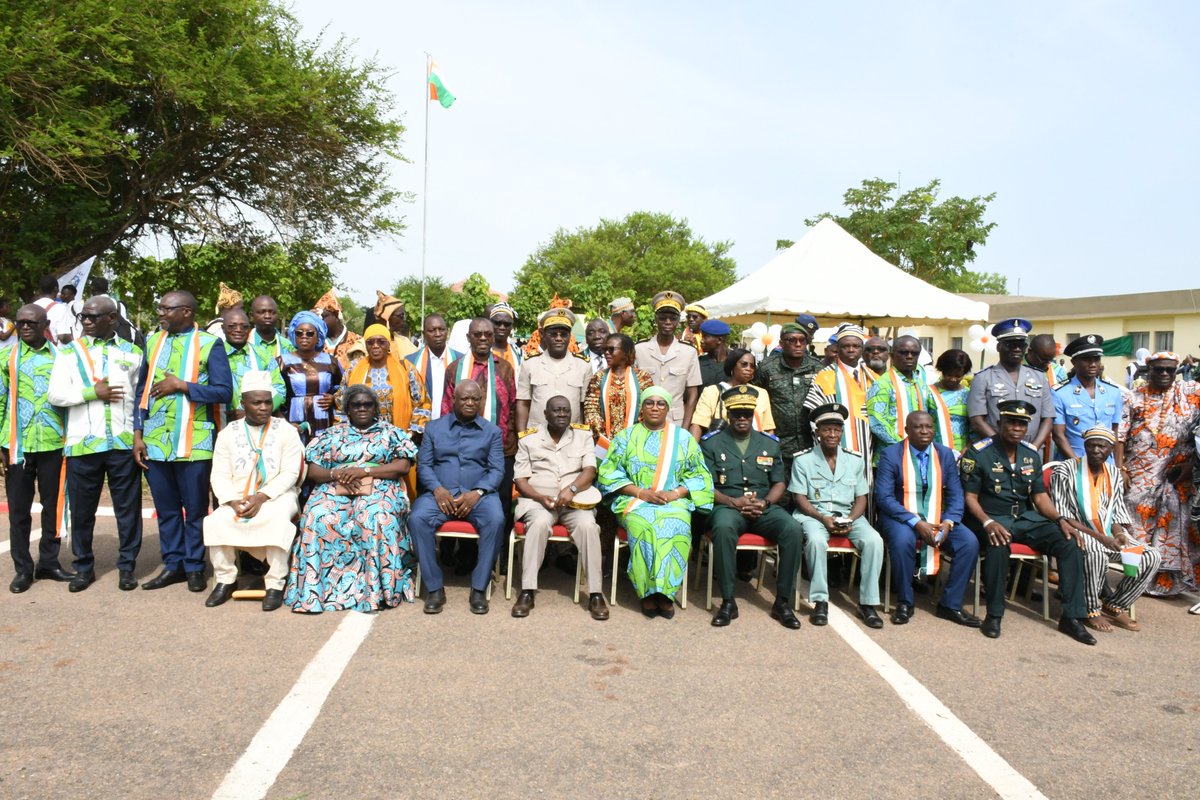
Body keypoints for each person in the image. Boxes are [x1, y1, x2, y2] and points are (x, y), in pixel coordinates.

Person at [959, 400, 1095, 644]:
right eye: (1011, 422)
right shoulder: (979, 452)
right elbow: (970, 497)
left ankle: (1072, 617)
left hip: (1024, 518)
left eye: (1022, 424)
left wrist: (1060, 519)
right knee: (998, 544)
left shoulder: (1030, 454)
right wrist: (988, 522)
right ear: (999, 423)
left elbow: (1039, 497)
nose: (1016, 428)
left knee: (1069, 542)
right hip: (989, 517)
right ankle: (994, 614)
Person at [285, 384, 419, 612]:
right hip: (336, 485)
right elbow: (313, 471)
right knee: (317, 516)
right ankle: (317, 593)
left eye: (367, 404)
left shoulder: (391, 432)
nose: (362, 408)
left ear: (376, 407)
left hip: (380, 485)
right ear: (347, 409)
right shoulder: (332, 434)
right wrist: (336, 474)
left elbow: (403, 466)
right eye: (356, 405)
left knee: (374, 516)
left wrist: (364, 471)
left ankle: (376, 591)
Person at [134, 291, 233, 592]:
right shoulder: (152, 342)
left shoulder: (210, 344)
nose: (161, 313)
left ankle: (194, 566)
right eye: (160, 308)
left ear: (187, 312)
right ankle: (173, 564)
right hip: (156, 441)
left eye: (167, 308)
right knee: (166, 509)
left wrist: (183, 386)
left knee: (195, 509)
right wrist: (138, 434)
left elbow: (224, 392)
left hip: (195, 442)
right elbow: (141, 391)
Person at [47, 296, 145, 592]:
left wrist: (138, 437)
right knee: (82, 510)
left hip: (122, 443)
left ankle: (127, 567)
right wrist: (92, 393)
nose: (86, 322)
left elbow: (140, 399)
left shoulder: (133, 353)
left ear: (112, 319)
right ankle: (84, 567)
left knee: (127, 509)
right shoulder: (69, 352)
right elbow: (56, 395)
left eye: (92, 317)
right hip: (83, 445)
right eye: (83, 317)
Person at [597, 387, 714, 619]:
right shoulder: (626, 437)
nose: (654, 407)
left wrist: (676, 494)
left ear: (668, 408)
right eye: (649, 403)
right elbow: (608, 474)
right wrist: (641, 493)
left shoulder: (683, 439)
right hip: (634, 501)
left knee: (676, 524)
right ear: (642, 407)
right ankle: (647, 592)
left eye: (661, 403)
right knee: (645, 525)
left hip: (674, 501)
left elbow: (700, 476)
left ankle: (666, 592)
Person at [701, 386, 803, 629]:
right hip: (727, 504)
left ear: (753, 413)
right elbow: (704, 486)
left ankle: (783, 602)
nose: (742, 418)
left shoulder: (768, 443)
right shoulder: (712, 443)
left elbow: (779, 483)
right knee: (723, 528)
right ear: (728, 415)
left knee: (793, 529)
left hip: (762, 505)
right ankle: (728, 602)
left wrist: (766, 502)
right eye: (737, 414)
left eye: (747, 413)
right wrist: (732, 502)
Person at [203, 372, 303, 611]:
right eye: (256, 402)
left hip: (278, 495)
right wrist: (231, 501)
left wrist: (261, 497)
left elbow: (291, 473)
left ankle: (275, 583)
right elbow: (218, 474)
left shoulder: (286, 430)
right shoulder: (228, 433)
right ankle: (225, 580)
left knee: (277, 519)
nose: (264, 408)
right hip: (237, 497)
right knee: (217, 519)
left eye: (267, 402)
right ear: (243, 403)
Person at [1049, 426, 1161, 632]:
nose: (1096, 450)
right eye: (1091, 445)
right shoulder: (1065, 470)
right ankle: (1091, 609)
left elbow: (1116, 512)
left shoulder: (1114, 473)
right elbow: (1062, 515)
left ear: (1111, 449)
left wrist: (1118, 534)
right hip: (1077, 530)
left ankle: (1116, 603)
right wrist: (1101, 538)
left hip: (1108, 532)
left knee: (1150, 556)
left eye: (1102, 446)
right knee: (1095, 552)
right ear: (1085, 446)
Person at [874, 412, 980, 627]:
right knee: (903, 541)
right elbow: (883, 497)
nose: (925, 431)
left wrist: (949, 522)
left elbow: (955, 494)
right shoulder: (890, 454)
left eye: (929, 427)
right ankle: (905, 601)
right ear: (907, 431)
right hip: (899, 516)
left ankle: (950, 604)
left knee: (969, 543)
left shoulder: (945, 454)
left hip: (936, 515)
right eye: (918, 427)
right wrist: (915, 521)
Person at [410, 379, 506, 614]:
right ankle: (434, 588)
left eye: (475, 399)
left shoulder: (492, 432)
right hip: (440, 493)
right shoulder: (433, 428)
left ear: (481, 401)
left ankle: (479, 587)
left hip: (478, 496)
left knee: (496, 519)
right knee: (417, 518)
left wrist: (479, 492)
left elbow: (497, 470)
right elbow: (424, 466)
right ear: (454, 399)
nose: (470, 403)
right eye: (465, 398)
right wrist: (436, 489)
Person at [511, 395, 608, 620]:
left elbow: (589, 471)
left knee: (588, 526)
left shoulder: (583, 435)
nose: (562, 414)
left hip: (575, 500)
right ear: (545, 414)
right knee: (539, 523)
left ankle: (595, 594)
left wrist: (571, 490)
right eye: (556, 410)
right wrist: (540, 496)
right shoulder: (528, 439)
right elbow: (521, 480)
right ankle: (527, 591)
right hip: (538, 501)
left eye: (566, 410)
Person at [789, 402, 886, 628]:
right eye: (826, 429)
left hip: (848, 514)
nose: (832, 434)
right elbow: (799, 498)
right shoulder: (803, 460)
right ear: (817, 432)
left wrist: (851, 519)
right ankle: (820, 601)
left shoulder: (854, 459)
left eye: (837, 429)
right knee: (815, 541)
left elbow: (862, 497)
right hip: (814, 514)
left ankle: (867, 603)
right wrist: (822, 518)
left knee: (874, 541)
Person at [1, 304, 73, 592]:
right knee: (18, 510)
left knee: (52, 507)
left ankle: (49, 562)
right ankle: (23, 568)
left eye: (31, 322)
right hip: (17, 445)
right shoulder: (6, 358)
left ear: (45, 323)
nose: (25, 327)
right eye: (20, 323)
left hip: (54, 444)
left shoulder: (63, 357)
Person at [1115, 351, 1200, 596]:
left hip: (1177, 476)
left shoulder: (1191, 394)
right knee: (1137, 527)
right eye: (1159, 369)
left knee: (1173, 529)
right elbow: (1120, 436)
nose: (1164, 374)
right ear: (1148, 370)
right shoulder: (1133, 398)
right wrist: (1121, 469)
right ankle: (1133, 583)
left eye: (1170, 370)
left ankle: (1167, 583)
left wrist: (1192, 464)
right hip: (1140, 474)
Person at [442, 317, 519, 564]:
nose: (484, 338)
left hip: (502, 448)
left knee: (501, 503)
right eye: (478, 334)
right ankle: (465, 555)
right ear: (469, 338)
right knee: (465, 497)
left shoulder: (505, 368)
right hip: (465, 450)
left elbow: (514, 406)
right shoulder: (455, 369)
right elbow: (447, 410)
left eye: (488, 334)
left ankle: (498, 558)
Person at [345, 323, 429, 498]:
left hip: (398, 440)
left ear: (389, 344)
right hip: (361, 441)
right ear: (365, 345)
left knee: (401, 487)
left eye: (381, 342)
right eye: (371, 342)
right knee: (363, 486)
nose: (375, 346)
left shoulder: (406, 368)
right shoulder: (353, 369)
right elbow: (341, 404)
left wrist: (410, 434)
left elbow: (422, 403)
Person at [967, 319, 1055, 448]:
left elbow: (1048, 417)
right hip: (996, 452)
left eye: (1021, 345)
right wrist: (1002, 447)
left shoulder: (1039, 377)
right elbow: (977, 421)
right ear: (998, 347)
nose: (1017, 349)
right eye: (1011, 344)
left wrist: (1033, 448)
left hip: (1033, 450)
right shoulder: (983, 378)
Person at [754, 322, 823, 474]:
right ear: (781, 343)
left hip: (811, 443)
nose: (798, 344)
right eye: (791, 340)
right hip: (778, 443)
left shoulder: (817, 367)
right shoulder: (766, 368)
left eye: (802, 340)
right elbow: (757, 402)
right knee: (781, 492)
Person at [804, 324, 878, 466]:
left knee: (863, 484)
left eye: (856, 346)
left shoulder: (873, 378)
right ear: (838, 348)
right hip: (834, 446)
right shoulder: (824, 377)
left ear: (862, 348)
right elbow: (814, 418)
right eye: (846, 346)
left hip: (867, 444)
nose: (851, 350)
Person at [634, 291, 702, 429]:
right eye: (663, 318)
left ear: (678, 321)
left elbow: (692, 394)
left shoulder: (689, 352)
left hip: (675, 421)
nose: (668, 322)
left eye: (672, 318)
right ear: (656, 319)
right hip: (643, 422)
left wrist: (685, 428)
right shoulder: (639, 349)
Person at [516, 307, 592, 430]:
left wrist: (584, 436)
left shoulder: (583, 365)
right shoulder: (529, 363)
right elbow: (523, 403)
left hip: (571, 436)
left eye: (563, 334)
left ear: (570, 336)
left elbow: (585, 406)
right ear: (543, 335)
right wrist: (522, 437)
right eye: (553, 334)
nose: (558, 338)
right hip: (537, 437)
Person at [1052, 335, 1122, 461]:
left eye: (1096, 359)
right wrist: (1078, 465)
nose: (1093, 364)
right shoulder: (1059, 393)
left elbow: (1115, 431)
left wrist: (1118, 467)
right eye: (1086, 360)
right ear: (1073, 362)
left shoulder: (1113, 392)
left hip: (1106, 463)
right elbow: (1058, 435)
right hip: (1074, 461)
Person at [866, 335, 935, 461]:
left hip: (920, 455)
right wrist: (904, 446)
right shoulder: (882, 384)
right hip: (891, 456)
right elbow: (877, 422)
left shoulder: (921, 384)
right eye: (903, 352)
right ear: (892, 355)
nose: (909, 356)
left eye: (914, 353)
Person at [583, 332, 654, 455]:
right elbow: (591, 409)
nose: (606, 353)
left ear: (626, 352)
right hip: (604, 445)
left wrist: (635, 437)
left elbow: (648, 409)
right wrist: (604, 438)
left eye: (611, 349)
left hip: (636, 443)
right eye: (605, 349)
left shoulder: (643, 377)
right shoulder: (599, 378)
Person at [279, 311, 342, 445]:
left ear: (318, 336)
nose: (304, 336)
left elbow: (343, 387)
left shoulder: (331, 361)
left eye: (309, 333)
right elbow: (275, 395)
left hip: (324, 419)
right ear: (293, 335)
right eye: (299, 333)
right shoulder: (282, 362)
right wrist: (284, 423)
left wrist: (334, 399)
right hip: (294, 420)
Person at [689, 348, 775, 440]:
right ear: (732, 366)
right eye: (744, 364)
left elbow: (768, 429)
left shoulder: (761, 393)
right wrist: (693, 451)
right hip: (722, 448)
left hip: (755, 448)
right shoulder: (713, 392)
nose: (749, 369)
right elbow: (698, 425)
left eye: (752, 366)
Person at [221, 308, 285, 423]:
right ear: (223, 328)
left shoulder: (263, 355)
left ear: (249, 329)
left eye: (244, 326)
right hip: (221, 421)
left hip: (258, 423)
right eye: (232, 326)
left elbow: (279, 390)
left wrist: (248, 412)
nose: (238, 330)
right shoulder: (213, 354)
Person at [407, 313, 461, 422]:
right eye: (432, 330)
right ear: (423, 334)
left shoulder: (461, 360)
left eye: (441, 329)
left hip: (453, 426)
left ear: (447, 331)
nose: (437, 334)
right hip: (421, 427)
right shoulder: (410, 362)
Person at [930, 349, 973, 452]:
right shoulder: (928, 393)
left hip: (961, 451)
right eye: (949, 375)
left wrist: (966, 449)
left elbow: (974, 426)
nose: (953, 379)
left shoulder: (969, 395)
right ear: (941, 370)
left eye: (958, 376)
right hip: (934, 450)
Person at [314, 289, 361, 371]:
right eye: (317, 318)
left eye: (324, 317)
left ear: (336, 316)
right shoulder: (314, 342)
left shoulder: (357, 341)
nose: (319, 322)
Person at [372, 290, 418, 361]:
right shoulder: (367, 344)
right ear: (387, 317)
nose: (404, 319)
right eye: (401, 315)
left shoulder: (405, 342)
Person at [248, 295, 294, 359]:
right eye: (262, 312)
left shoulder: (288, 346)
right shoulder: (244, 344)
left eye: (272, 312)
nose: (267, 316)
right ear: (252, 316)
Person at [487, 302, 523, 378]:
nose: (502, 327)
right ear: (490, 323)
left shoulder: (520, 354)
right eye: (497, 323)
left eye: (507, 324)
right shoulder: (480, 352)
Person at [33, 274, 70, 345]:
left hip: (35, 351)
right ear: (56, 289)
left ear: (40, 290)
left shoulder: (31, 307)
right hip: (54, 351)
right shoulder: (60, 308)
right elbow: (63, 337)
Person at [696, 319, 731, 389]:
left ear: (719, 340)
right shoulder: (698, 363)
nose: (701, 341)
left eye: (705, 337)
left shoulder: (735, 363)